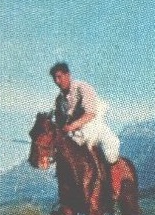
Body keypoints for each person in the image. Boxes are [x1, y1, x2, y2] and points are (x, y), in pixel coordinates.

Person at [50, 62, 124, 195]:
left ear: (68, 75)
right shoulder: (59, 100)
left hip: (94, 126)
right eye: (54, 78)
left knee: (112, 145)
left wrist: (71, 126)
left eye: (59, 77)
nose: (57, 81)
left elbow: (90, 113)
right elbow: (59, 122)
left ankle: (114, 187)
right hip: (74, 133)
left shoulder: (83, 88)